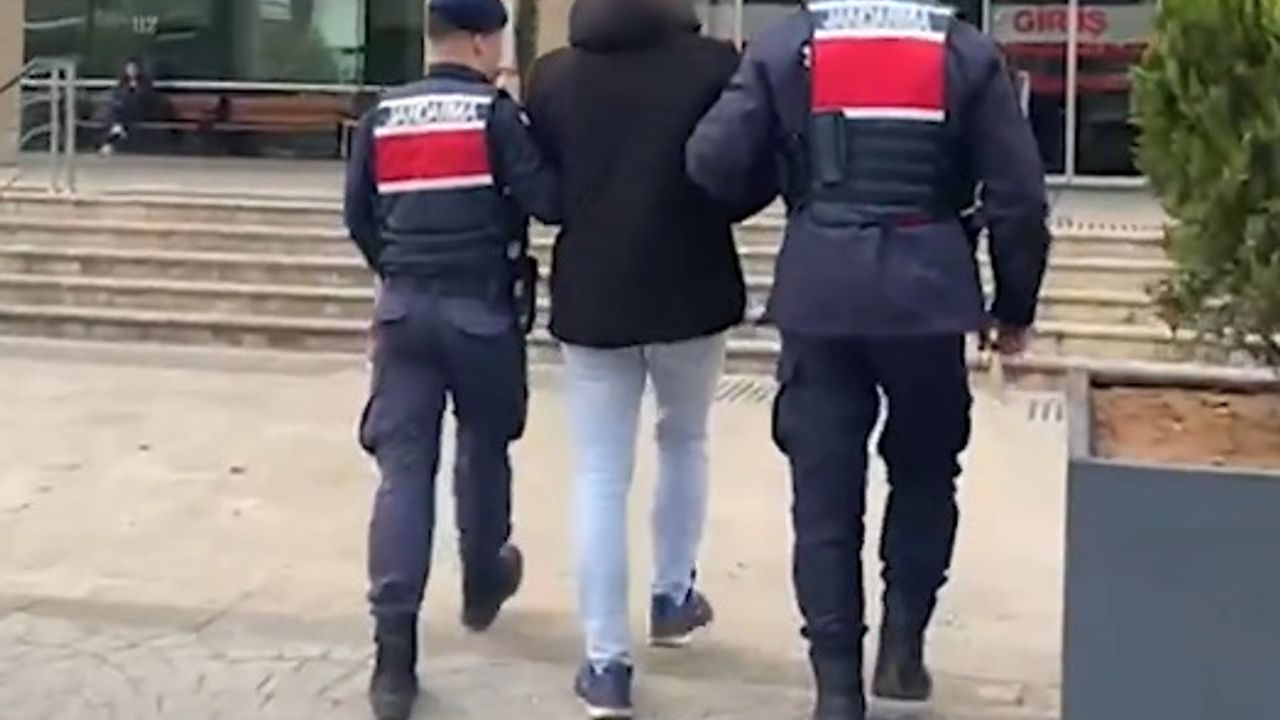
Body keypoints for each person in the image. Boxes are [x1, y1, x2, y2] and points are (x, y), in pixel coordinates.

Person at [686, 2, 1051, 719]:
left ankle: (836, 688)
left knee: (823, 498)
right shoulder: (964, 51)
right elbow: (1018, 199)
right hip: (928, 296)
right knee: (926, 476)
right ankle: (903, 654)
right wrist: (1013, 308)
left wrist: (791, 174)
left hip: (820, 292)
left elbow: (712, 161)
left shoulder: (789, 45)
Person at [524, 0, 775, 715]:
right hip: (692, 286)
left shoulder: (553, 76)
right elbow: (751, 170)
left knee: (600, 472)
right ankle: (672, 595)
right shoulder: (714, 68)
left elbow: (545, 194)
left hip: (593, 292)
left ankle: (606, 663)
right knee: (685, 438)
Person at [342, 0, 559, 716]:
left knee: (403, 472)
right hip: (481, 310)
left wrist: (399, 269)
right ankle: (482, 575)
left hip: (403, 311)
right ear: (476, 40)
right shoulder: (494, 116)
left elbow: (358, 215)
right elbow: (547, 199)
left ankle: (393, 658)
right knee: (485, 447)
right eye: (498, 40)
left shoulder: (382, 115)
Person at [99, 59, 163, 156]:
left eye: (133, 68)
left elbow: (145, 98)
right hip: (125, 113)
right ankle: (111, 140)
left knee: (120, 115)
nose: (131, 71)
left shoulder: (145, 82)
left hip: (140, 111)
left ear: (138, 69)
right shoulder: (123, 81)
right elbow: (118, 95)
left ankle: (110, 141)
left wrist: (135, 89)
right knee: (118, 113)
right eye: (129, 68)